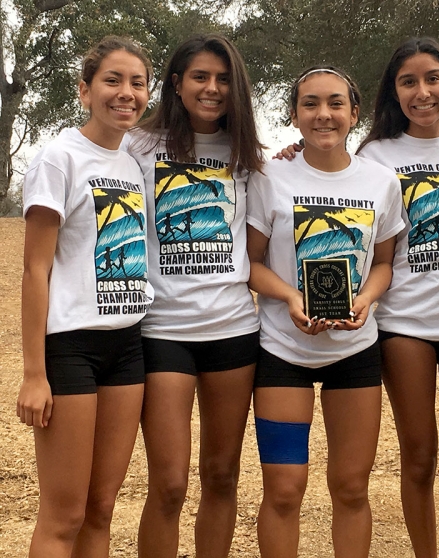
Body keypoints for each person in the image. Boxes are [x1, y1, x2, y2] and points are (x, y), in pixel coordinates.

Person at [276, 37, 439, 558]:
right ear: (392, 93)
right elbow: (323, 165)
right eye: (408, 82)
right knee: (418, 459)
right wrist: (287, 151)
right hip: (402, 325)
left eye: (433, 79)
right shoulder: (373, 154)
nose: (422, 92)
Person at [246, 66, 404, 558]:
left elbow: (383, 264)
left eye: (336, 103)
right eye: (310, 103)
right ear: (294, 115)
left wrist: (365, 300)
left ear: (354, 113)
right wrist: (290, 297)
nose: (323, 114)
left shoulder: (380, 182)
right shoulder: (269, 176)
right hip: (282, 354)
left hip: (354, 354)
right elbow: (249, 263)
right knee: (285, 490)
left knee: (352, 488)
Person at [123, 34, 265, 558]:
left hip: (233, 330)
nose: (212, 88)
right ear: (176, 84)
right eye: (200, 77)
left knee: (223, 476)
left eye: (224, 79)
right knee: (169, 484)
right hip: (163, 332)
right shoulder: (136, 146)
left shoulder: (248, 155)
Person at [17, 36, 154, 558]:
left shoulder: (132, 161)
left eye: (137, 83)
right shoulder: (58, 158)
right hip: (71, 349)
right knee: (64, 514)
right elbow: (35, 268)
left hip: (129, 345)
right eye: (112, 81)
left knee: (101, 507)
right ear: (84, 90)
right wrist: (34, 373)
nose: (126, 93)